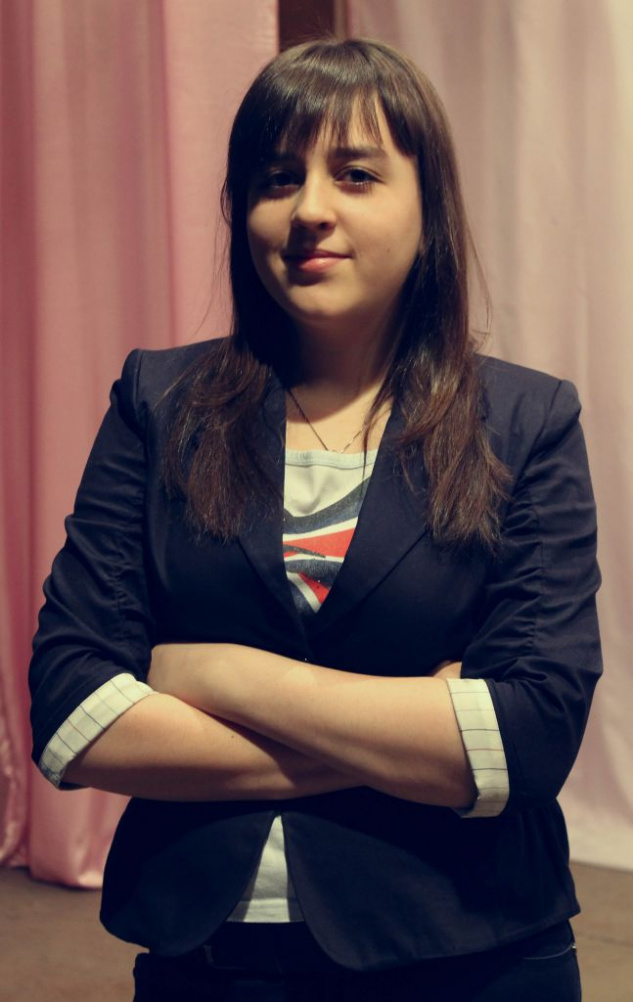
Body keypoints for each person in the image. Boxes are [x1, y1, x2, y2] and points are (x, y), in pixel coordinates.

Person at [29, 37, 601, 1002]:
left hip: (475, 953)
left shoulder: (524, 420)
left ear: (429, 206)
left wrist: (215, 674)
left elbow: (530, 734)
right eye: (277, 177)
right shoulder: (157, 402)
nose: (308, 210)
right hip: (214, 960)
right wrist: (413, 734)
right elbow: (72, 715)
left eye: (356, 174)